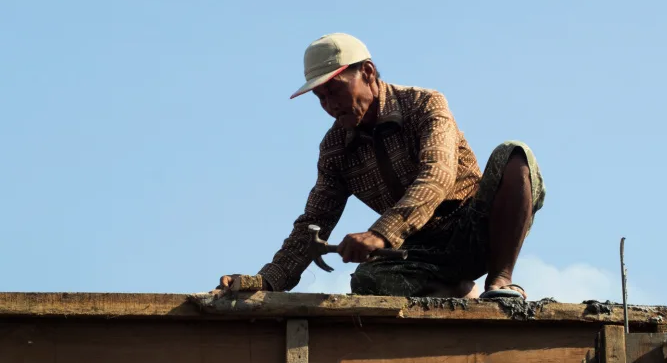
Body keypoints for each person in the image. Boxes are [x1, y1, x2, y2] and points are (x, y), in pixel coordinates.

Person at [218, 33, 545, 299]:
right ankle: (459, 290)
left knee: (514, 156)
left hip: (475, 228)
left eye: (335, 89)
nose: (330, 104)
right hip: (419, 255)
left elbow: (437, 175)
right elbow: (312, 225)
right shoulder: (334, 150)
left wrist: (380, 234)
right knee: (367, 280)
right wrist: (262, 283)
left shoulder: (425, 104)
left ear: (368, 73)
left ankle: (500, 281)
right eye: (320, 97)